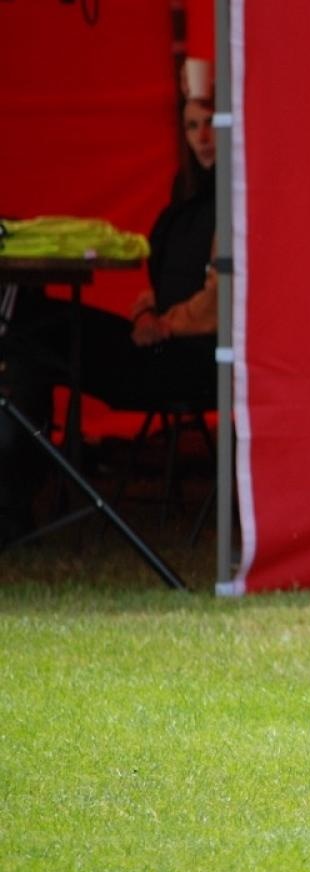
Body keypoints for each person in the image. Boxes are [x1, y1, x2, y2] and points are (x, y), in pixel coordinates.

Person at [0, 64, 218, 546]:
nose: (203, 137)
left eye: (211, 124)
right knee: (33, 329)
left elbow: (220, 301)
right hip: (160, 342)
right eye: (191, 126)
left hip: (194, 359)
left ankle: (17, 492)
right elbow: (157, 291)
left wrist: (166, 323)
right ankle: (16, 490)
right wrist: (147, 314)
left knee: (38, 330)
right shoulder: (181, 202)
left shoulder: (233, 203)